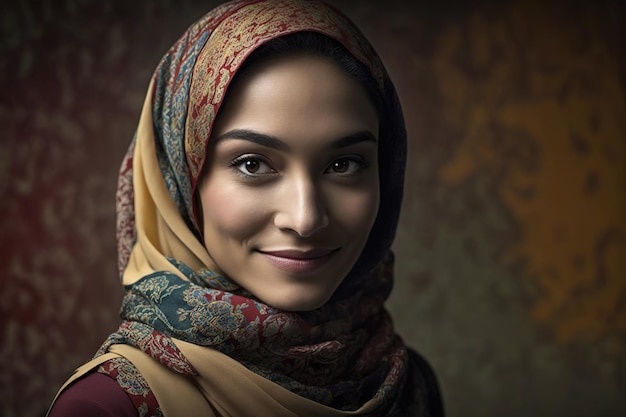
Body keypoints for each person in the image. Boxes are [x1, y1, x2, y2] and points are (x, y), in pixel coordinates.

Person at [47, 0, 443, 415]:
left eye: (343, 165)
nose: (305, 219)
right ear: (182, 180)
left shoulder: (404, 384)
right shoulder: (109, 407)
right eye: (253, 164)